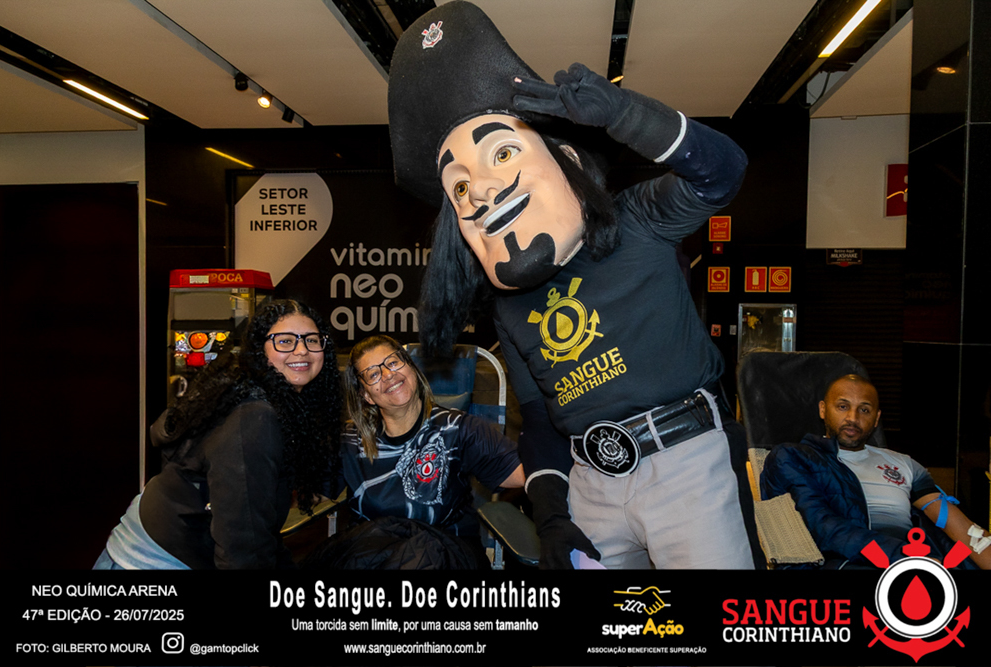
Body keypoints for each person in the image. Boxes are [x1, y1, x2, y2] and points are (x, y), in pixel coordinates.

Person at [387, 1, 761, 568]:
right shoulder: (509, 307)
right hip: (592, 483)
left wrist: (625, 114)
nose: (480, 190)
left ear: (567, 160)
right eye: (459, 188)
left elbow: (722, 173)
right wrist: (553, 516)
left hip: (688, 465)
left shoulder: (637, 220)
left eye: (502, 152)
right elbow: (540, 418)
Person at [94, 299, 342, 569]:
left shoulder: (271, 398)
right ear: (259, 349)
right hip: (149, 561)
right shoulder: (254, 416)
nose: (301, 350)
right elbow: (242, 542)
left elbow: (259, 528)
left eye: (311, 340)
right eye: (285, 341)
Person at [306, 335, 524, 569]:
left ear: (411, 368)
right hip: (373, 552)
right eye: (373, 374)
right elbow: (309, 494)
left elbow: (523, 475)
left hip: (445, 552)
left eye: (393, 362)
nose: (388, 375)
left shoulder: (457, 429)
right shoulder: (350, 441)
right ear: (366, 395)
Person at [761, 374, 990, 569]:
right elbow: (820, 525)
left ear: (876, 418)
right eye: (842, 407)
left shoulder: (904, 464)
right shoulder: (794, 456)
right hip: (848, 562)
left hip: (918, 561)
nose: (853, 418)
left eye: (864, 409)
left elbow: (964, 530)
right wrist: (907, 558)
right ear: (823, 409)